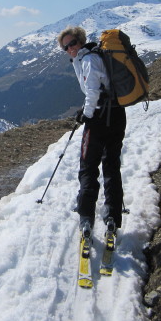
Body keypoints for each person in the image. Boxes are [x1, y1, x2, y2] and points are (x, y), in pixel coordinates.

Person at [57, 26, 127, 238]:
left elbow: (93, 91)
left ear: (80, 41)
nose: (70, 49)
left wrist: (86, 114)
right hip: (117, 116)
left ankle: (86, 216)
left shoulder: (88, 59)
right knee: (111, 164)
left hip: (98, 119)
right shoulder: (99, 55)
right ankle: (112, 214)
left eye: (72, 44)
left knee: (88, 167)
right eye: (65, 47)